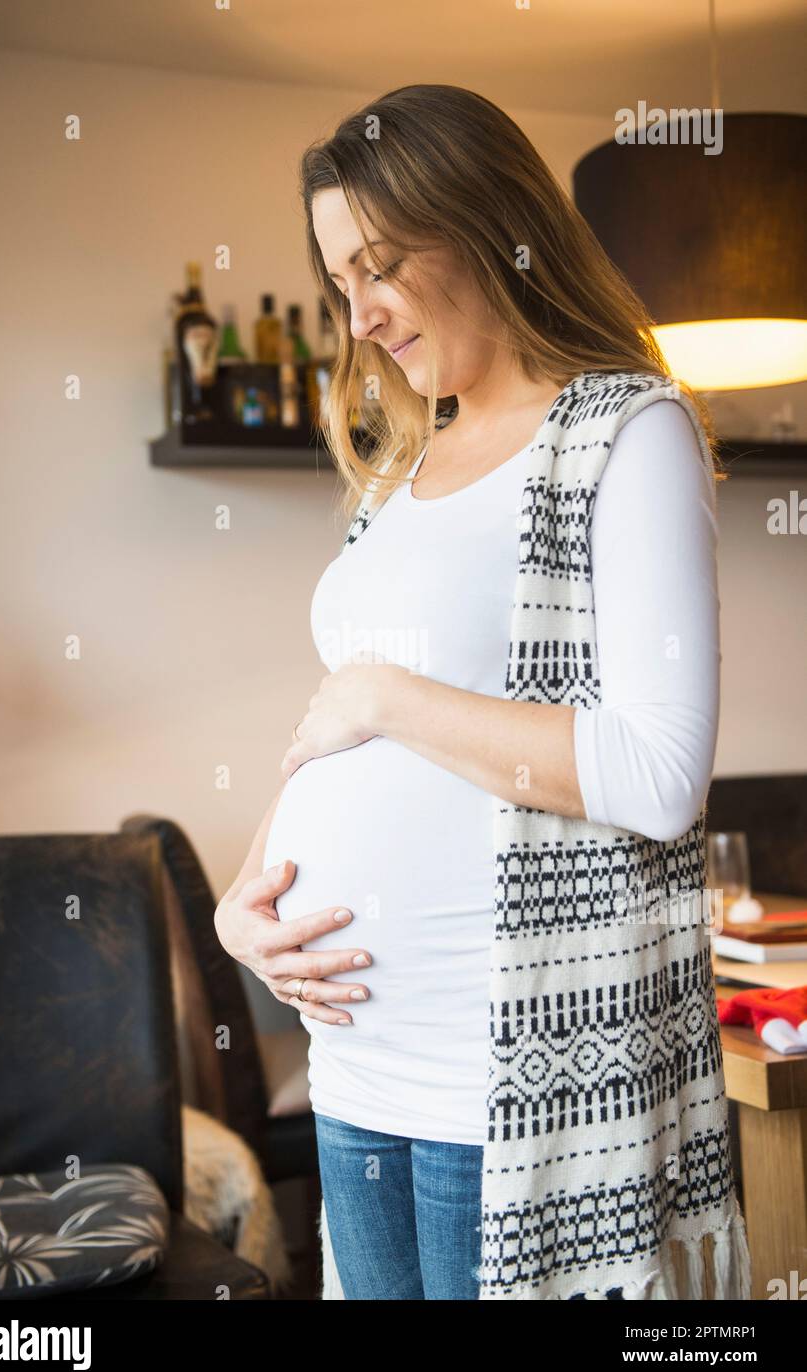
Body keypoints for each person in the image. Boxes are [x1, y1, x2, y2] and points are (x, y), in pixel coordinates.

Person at [214, 84, 748, 1301]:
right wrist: (242, 904)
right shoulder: (397, 474)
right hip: (355, 1067)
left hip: (503, 1084)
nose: (361, 312)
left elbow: (659, 774)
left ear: (490, 222)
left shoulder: (623, 428)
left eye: (384, 265)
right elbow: (332, 720)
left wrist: (390, 697)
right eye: (340, 279)